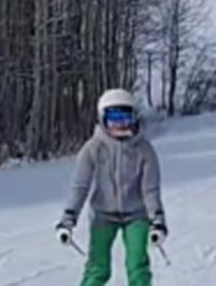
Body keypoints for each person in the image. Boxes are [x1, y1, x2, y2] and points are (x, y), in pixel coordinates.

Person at [55, 89, 169, 286]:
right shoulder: (93, 148)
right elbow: (80, 186)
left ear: (134, 119)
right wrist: (68, 219)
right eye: (114, 118)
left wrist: (157, 221)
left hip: (136, 216)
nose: (120, 125)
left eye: (125, 118)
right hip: (103, 215)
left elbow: (150, 189)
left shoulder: (144, 150)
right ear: (103, 119)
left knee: (138, 267)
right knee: (98, 268)